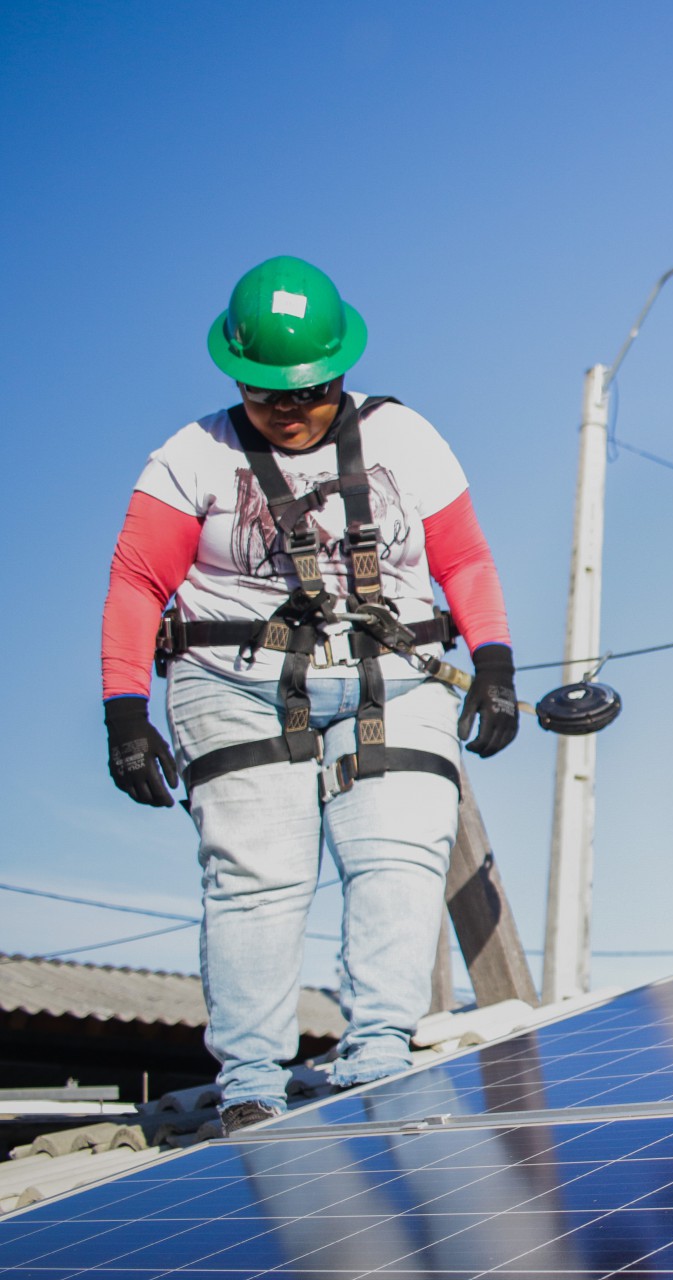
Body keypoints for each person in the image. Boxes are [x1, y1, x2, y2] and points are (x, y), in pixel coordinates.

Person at [101, 256, 521, 1132]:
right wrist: (126, 712)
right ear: (237, 378)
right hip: (235, 684)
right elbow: (138, 581)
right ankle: (252, 1084)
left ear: (339, 372)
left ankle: (379, 1060)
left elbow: (465, 558)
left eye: (309, 394)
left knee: (400, 855)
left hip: (391, 677)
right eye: (265, 395)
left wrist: (494, 663)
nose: (288, 411)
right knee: (259, 876)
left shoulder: (407, 439)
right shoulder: (191, 458)